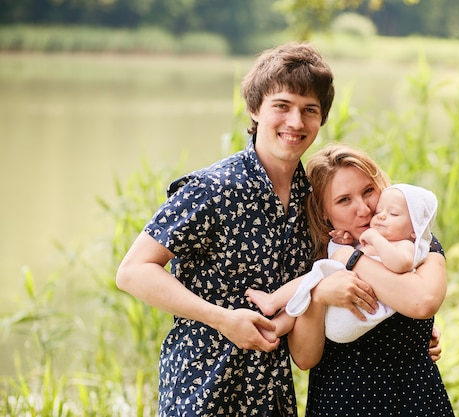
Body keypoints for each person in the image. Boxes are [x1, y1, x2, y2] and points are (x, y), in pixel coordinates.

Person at [116, 42, 339, 417]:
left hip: (271, 395)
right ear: (255, 109)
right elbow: (132, 272)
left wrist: (403, 330)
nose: (295, 122)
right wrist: (222, 318)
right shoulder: (213, 188)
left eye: (309, 110)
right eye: (282, 106)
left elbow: (333, 274)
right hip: (201, 390)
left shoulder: (313, 200)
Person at [287, 144, 455, 416]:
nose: (364, 209)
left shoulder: (417, 244)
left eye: (368, 191)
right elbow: (305, 358)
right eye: (344, 200)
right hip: (342, 400)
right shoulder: (316, 259)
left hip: (413, 397)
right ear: (323, 213)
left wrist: (352, 259)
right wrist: (319, 295)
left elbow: (422, 301)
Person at [245, 183, 438, 344]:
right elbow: (340, 260)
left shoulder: (406, 245)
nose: (379, 216)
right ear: (324, 213)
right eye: (380, 211)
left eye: (393, 214)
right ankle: (276, 326)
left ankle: (272, 301)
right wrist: (342, 244)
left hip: (356, 314)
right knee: (308, 288)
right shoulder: (366, 241)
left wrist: (373, 238)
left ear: (416, 229)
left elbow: (400, 264)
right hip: (337, 310)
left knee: (316, 275)